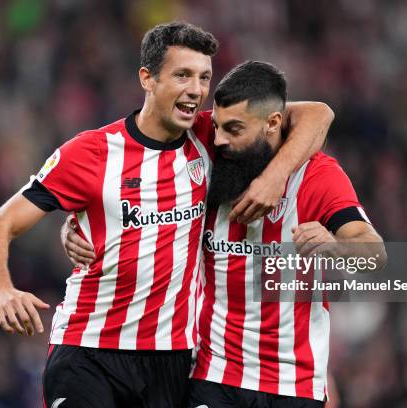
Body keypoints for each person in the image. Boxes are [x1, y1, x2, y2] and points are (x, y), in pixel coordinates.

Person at [0, 21, 333, 408]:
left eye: (203, 78)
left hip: (172, 362)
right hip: (88, 348)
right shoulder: (92, 152)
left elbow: (318, 114)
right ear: (147, 78)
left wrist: (276, 177)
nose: (196, 90)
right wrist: (1, 289)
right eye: (183, 75)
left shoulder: (211, 137)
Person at [63, 61, 386, 408]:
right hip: (213, 376)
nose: (219, 140)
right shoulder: (202, 163)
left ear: (273, 124)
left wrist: (334, 246)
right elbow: (126, 190)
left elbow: (375, 257)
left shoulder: (318, 176)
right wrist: (77, 227)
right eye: (216, 126)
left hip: (294, 384)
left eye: (234, 129)